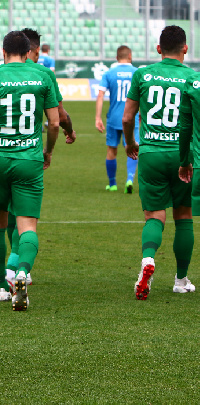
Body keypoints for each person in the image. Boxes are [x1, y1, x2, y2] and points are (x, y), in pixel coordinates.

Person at [0, 31, 60, 311]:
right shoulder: (44, 76)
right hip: (29, 160)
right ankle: (21, 272)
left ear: (3, 51)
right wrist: (49, 151)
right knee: (27, 225)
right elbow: (54, 123)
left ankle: (0, 287)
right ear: (30, 50)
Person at [123, 25, 196, 300]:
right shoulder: (193, 78)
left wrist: (131, 143)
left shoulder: (142, 75)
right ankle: (180, 279)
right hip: (182, 156)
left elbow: (128, 118)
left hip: (151, 153)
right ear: (185, 49)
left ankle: (148, 260)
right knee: (183, 216)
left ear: (158, 49)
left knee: (154, 215)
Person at [95, 45, 139, 193]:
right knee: (133, 150)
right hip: (132, 118)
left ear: (117, 57)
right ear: (130, 56)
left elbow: (100, 95)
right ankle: (129, 179)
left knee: (111, 150)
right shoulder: (137, 73)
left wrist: (97, 117)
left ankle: (112, 184)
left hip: (114, 118)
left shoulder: (109, 73)